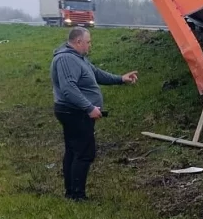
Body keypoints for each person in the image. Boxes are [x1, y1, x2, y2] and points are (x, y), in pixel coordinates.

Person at [51, 26, 138, 201]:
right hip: (74, 112)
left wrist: (121, 79)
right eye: (88, 42)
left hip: (74, 111)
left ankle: (71, 193)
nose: (90, 45)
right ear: (78, 42)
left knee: (73, 151)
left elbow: (96, 74)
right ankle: (77, 195)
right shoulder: (67, 59)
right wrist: (89, 108)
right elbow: (69, 88)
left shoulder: (78, 58)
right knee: (84, 152)